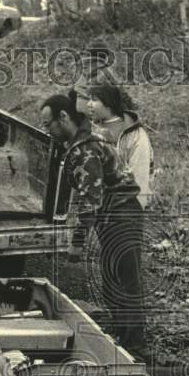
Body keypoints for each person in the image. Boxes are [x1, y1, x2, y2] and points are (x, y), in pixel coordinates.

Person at [39, 93, 146, 355]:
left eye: (48, 124)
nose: (47, 131)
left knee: (124, 281)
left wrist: (77, 243)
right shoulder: (84, 140)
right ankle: (124, 339)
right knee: (112, 281)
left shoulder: (85, 148)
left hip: (121, 215)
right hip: (112, 214)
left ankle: (136, 348)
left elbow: (90, 199)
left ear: (63, 118)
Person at [87, 83, 153, 210]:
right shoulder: (91, 130)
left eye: (94, 100)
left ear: (109, 103)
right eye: (89, 99)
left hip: (123, 209)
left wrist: (133, 214)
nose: (88, 104)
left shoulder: (136, 135)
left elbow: (140, 179)